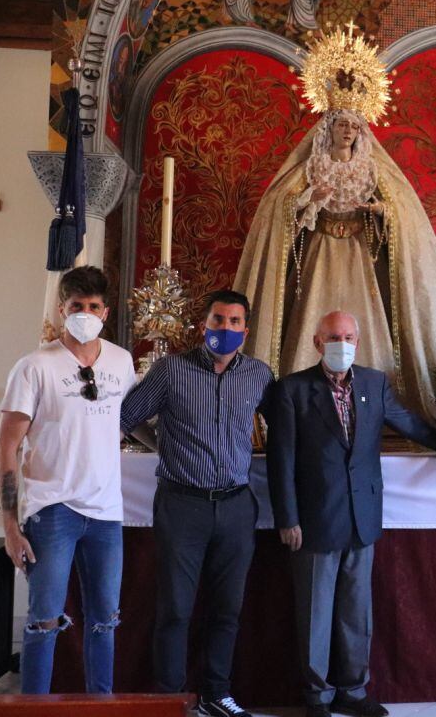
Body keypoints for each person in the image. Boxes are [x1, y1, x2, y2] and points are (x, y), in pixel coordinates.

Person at [263, 310, 436, 717]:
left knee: (355, 611)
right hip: (313, 520)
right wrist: (287, 518)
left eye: (347, 336)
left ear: (358, 342)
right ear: (316, 342)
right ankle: (317, 696)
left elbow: (407, 423)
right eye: (332, 336)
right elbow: (281, 460)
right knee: (315, 613)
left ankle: (354, 690)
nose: (341, 343)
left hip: (363, 517)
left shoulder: (374, 383)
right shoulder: (292, 390)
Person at [235, 108, 436, 423]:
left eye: (354, 126)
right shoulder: (313, 166)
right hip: (320, 254)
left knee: (363, 320)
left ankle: (374, 408)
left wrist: (379, 210)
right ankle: (302, 407)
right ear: (329, 129)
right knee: (311, 314)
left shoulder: (371, 169)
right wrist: (310, 199)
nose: (348, 132)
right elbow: (281, 205)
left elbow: (401, 212)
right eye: (342, 125)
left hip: (360, 258)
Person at [119, 290, 274, 717]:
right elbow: (125, 417)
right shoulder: (172, 371)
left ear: (246, 329)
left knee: (228, 608)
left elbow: (284, 427)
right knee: (175, 609)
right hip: (182, 505)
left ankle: (216, 694)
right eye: (218, 320)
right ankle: (169, 699)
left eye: (234, 322)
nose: (225, 329)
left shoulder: (259, 375)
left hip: (237, 506)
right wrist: (162, 444)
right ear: (203, 325)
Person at [0, 266, 135, 694]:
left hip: (106, 511)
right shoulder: (34, 366)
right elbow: (7, 448)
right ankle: (33, 706)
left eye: (93, 307)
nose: (85, 314)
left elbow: (126, 422)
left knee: (104, 620)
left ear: (106, 312)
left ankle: (101, 703)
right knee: (44, 620)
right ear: (61, 310)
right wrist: (10, 526)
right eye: (77, 306)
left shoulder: (122, 360)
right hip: (52, 508)